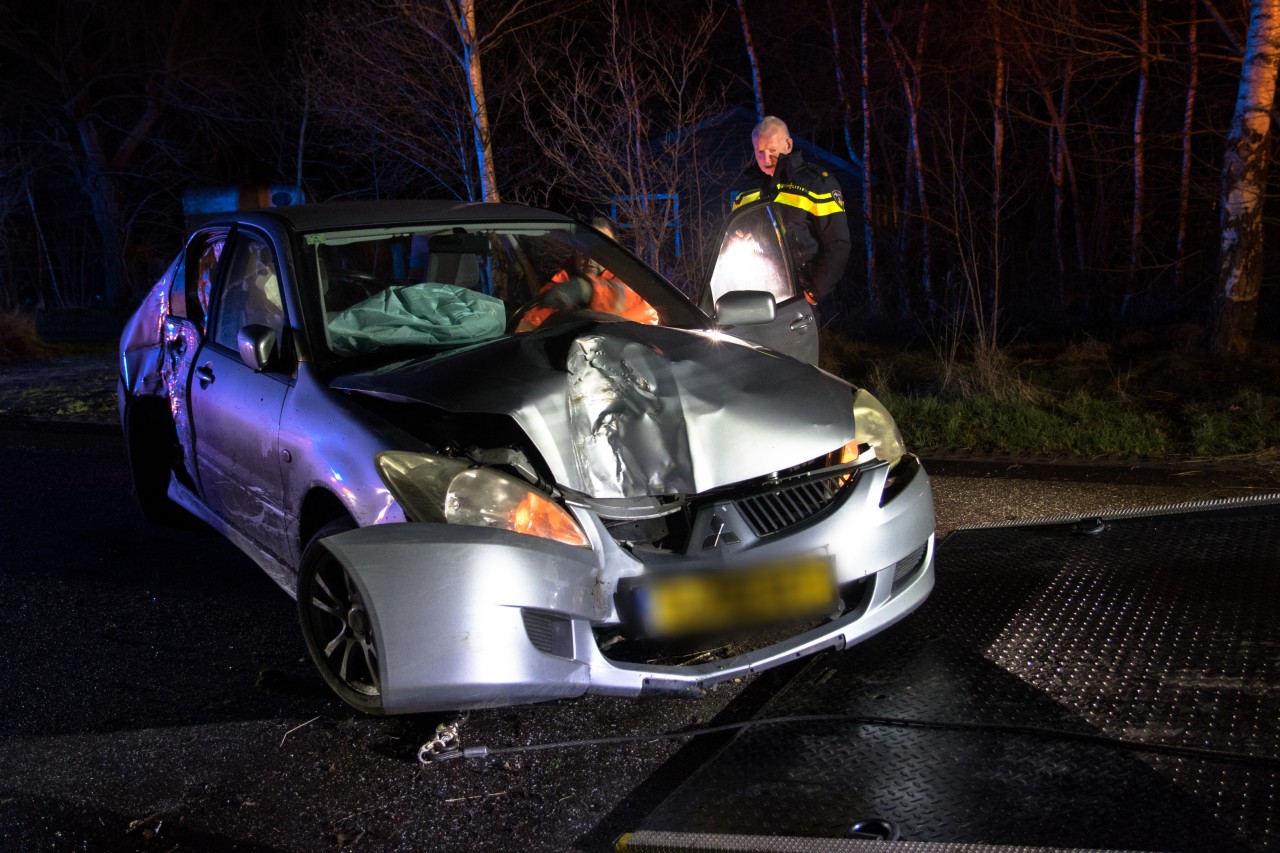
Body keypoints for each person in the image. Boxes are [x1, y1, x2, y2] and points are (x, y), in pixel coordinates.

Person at [732, 116, 851, 317]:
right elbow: (735, 236)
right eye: (760, 152)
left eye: (772, 150)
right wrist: (738, 237)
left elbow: (838, 244)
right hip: (757, 292)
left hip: (799, 296)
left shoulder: (817, 185)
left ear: (788, 145)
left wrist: (814, 292)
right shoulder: (746, 190)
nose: (766, 159)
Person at [515, 218, 658, 331]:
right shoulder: (558, 288)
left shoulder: (631, 285)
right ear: (574, 251)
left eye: (600, 252)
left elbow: (640, 306)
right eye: (583, 250)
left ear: (614, 254)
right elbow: (527, 330)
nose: (591, 259)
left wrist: (587, 290)